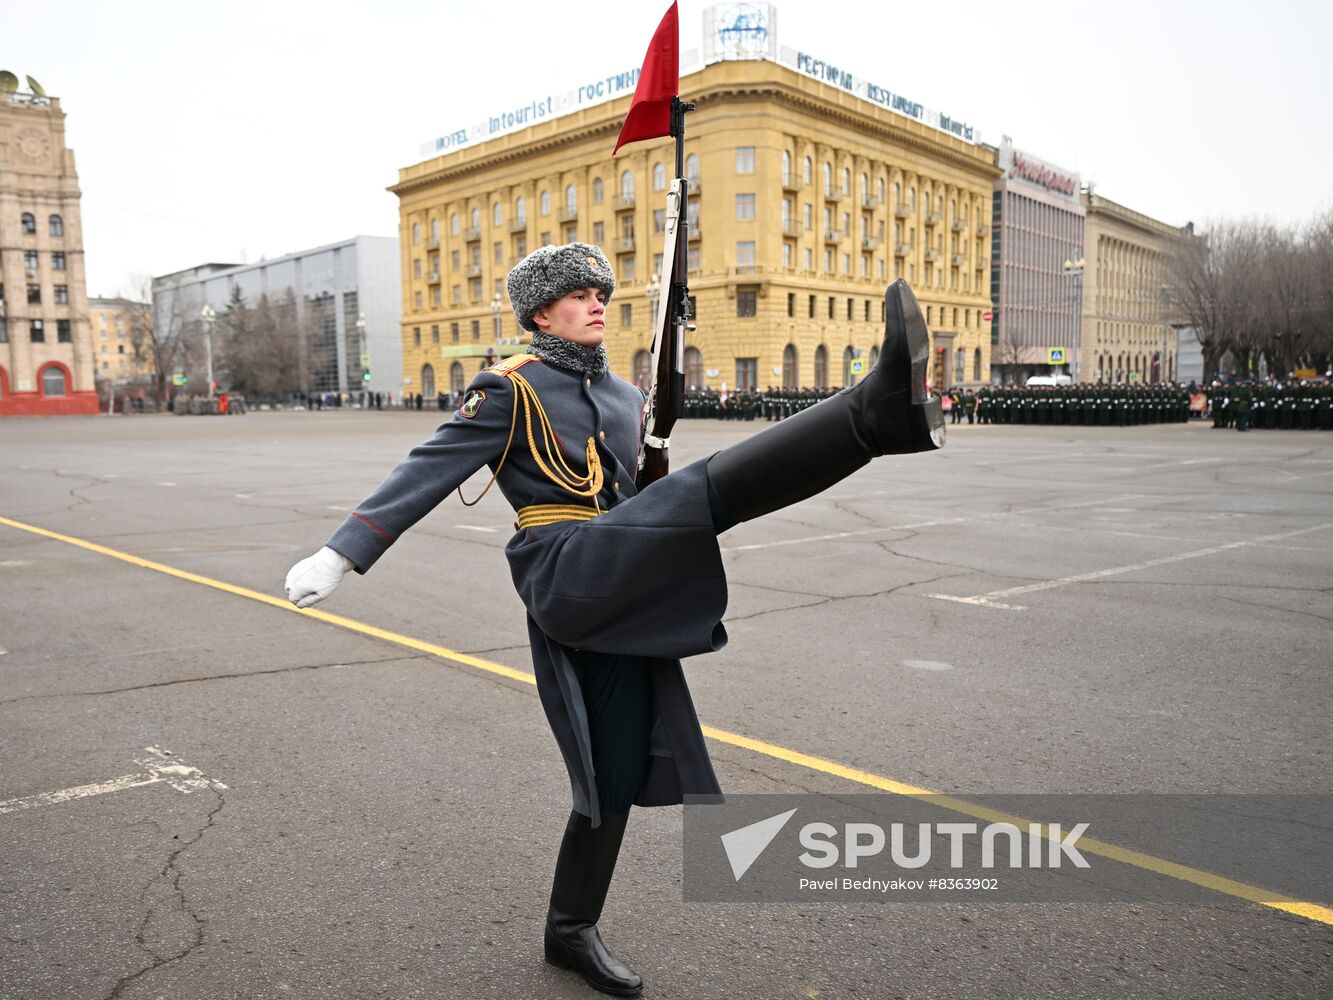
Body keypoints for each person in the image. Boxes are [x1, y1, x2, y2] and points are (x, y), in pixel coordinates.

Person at [284, 242, 944, 996]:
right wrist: (340, 555)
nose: (598, 302)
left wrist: (652, 473)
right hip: (565, 569)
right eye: (578, 294)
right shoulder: (508, 389)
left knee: (615, 768)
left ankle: (569, 930)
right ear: (540, 312)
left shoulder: (630, 397)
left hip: (620, 567)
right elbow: (423, 471)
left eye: (602, 291)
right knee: (703, 492)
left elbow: (633, 493)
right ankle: (873, 416)